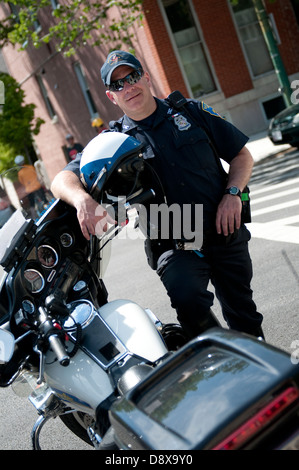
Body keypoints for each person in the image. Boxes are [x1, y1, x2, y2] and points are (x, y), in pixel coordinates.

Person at [51, 50, 264, 340]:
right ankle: (219, 357)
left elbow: (241, 155)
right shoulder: (113, 142)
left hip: (223, 227)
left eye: (132, 77)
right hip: (174, 242)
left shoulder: (190, 111)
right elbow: (62, 179)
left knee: (244, 315)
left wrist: (233, 193)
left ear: (146, 77)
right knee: (190, 304)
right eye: (118, 85)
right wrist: (82, 200)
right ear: (111, 97)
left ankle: (262, 371)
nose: (128, 87)